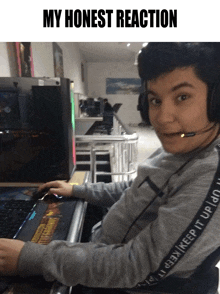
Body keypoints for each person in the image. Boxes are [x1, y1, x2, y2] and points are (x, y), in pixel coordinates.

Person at [1, 43, 220, 294]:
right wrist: (79, 190)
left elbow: (137, 266)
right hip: (103, 254)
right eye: (155, 100)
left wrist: (31, 259)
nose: (162, 117)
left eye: (182, 97)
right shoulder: (182, 144)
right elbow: (137, 187)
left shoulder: (209, 173)